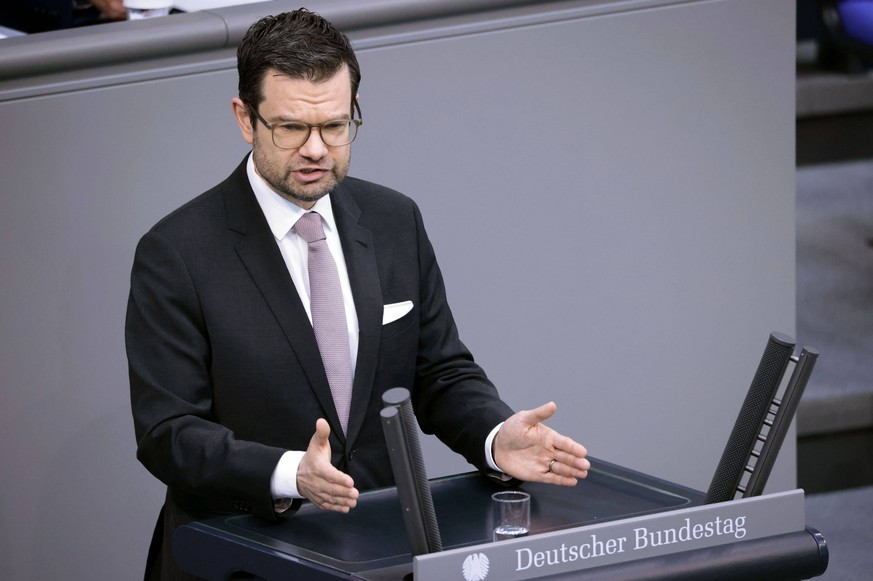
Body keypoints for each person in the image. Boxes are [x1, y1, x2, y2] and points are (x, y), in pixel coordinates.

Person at [125, 8, 590, 580]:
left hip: (378, 553)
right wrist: (289, 471)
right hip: (239, 557)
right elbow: (168, 433)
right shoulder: (177, 251)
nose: (317, 149)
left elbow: (439, 371)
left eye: (336, 126)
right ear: (245, 119)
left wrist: (495, 435)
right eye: (292, 127)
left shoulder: (394, 220)